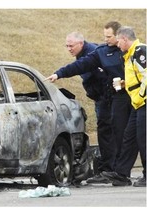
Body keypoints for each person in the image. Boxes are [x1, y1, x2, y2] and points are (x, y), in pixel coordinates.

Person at [45, 21, 132, 183]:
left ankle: (115, 170)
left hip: (121, 98)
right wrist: (59, 74)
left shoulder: (128, 52)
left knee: (123, 133)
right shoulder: (100, 52)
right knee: (110, 132)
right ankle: (113, 170)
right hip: (107, 99)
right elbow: (80, 65)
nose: (106, 40)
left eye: (110, 36)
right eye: (104, 36)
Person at [63, 32, 111, 183]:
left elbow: (104, 77)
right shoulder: (84, 52)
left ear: (81, 44)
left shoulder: (91, 53)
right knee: (107, 132)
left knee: (106, 133)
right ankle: (109, 168)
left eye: (71, 46)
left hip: (106, 99)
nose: (69, 49)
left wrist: (104, 98)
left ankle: (108, 170)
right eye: (67, 46)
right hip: (101, 98)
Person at [102, 26, 146, 187]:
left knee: (144, 139)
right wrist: (125, 83)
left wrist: (142, 96)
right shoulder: (129, 54)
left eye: (118, 41)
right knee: (129, 137)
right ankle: (121, 174)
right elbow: (138, 78)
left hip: (144, 102)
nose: (117, 44)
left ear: (125, 39)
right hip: (138, 104)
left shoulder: (140, 51)